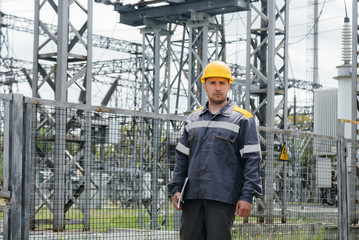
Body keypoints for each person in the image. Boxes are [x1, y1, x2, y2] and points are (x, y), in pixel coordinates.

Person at [168, 60, 262, 240]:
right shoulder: (192, 119)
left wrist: (247, 196)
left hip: (223, 197)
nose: (217, 87)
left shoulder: (242, 119)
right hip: (192, 196)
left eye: (222, 83)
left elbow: (252, 161)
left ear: (229, 86)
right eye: (213, 83)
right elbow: (182, 158)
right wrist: (176, 188)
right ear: (204, 86)